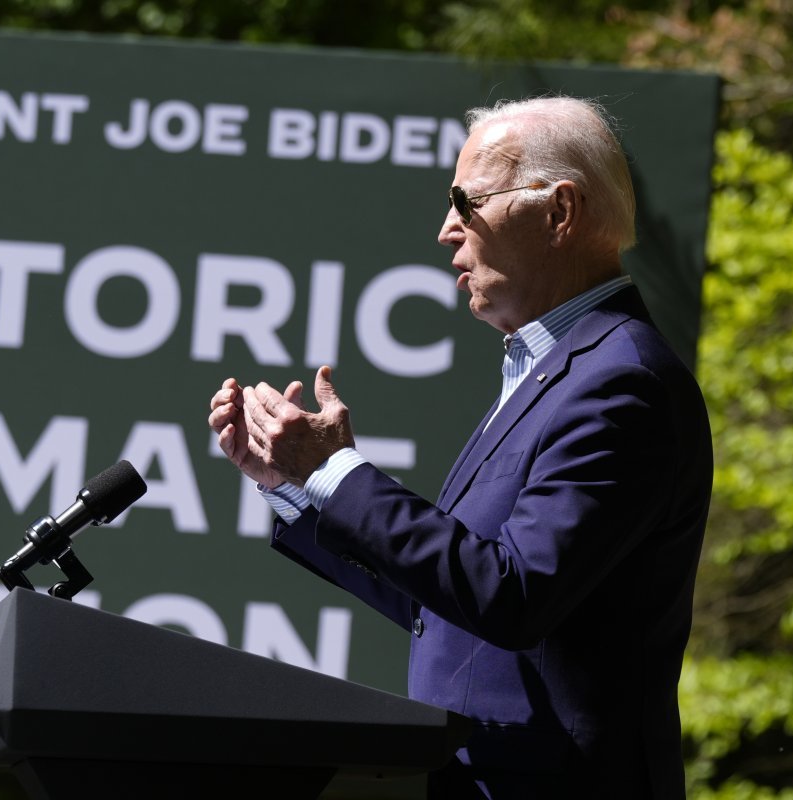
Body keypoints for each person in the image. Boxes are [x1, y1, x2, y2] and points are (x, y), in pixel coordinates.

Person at [208, 96, 712, 799]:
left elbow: (512, 595)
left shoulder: (621, 382)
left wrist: (336, 469)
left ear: (559, 211)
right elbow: (448, 600)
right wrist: (298, 486)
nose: (446, 230)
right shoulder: (555, 369)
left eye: (466, 202)